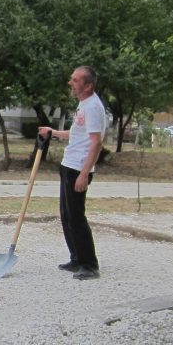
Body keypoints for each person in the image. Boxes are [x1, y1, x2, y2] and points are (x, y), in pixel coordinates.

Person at [38, 65, 106, 281]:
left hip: (79, 168)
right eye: (72, 79)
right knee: (67, 215)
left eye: (75, 80)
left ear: (88, 86)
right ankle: (76, 257)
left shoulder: (93, 107)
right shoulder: (83, 104)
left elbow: (96, 143)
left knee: (76, 217)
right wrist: (53, 132)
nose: (71, 83)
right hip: (69, 164)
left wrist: (84, 173)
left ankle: (89, 264)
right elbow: (77, 134)